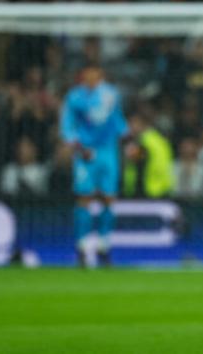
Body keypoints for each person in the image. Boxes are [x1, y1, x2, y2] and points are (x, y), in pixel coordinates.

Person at [60, 64, 128, 267]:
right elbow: (67, 124)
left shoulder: (111, 94)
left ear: (101, 75)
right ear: (82, 76)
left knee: (109, 198)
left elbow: (117, 119)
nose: (91, 77)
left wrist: (129, 140)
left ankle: (103, 246)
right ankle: (81, 247)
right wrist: (77, 145)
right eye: (87, 73)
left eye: (95, 74)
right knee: (84, 198)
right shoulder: (74, 97)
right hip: (85, 152)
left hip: (108, 151)